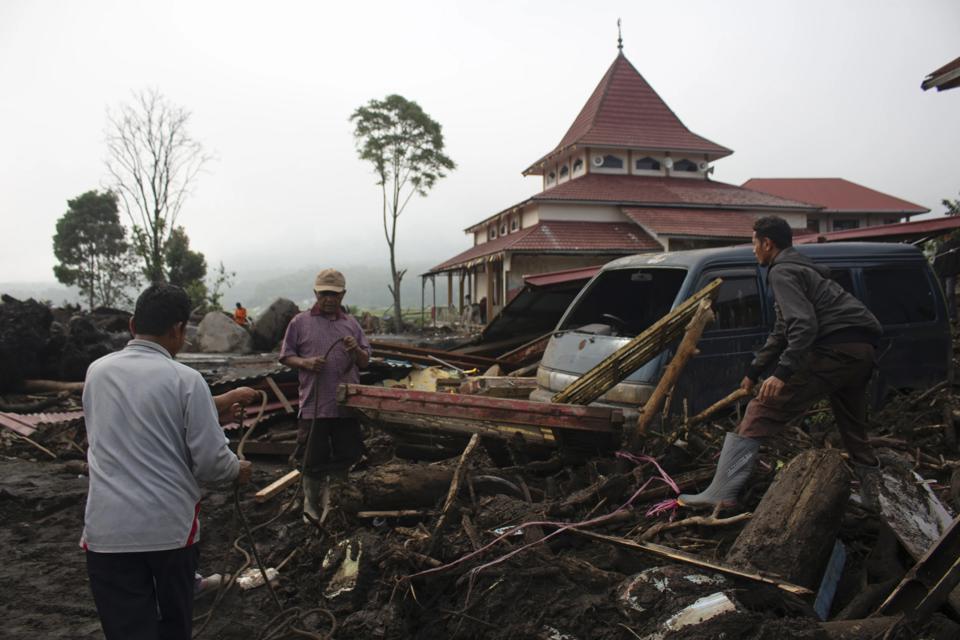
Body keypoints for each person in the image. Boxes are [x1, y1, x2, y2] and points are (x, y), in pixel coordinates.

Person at [81, 283, 258, 640]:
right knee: (172, 628)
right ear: (179, 329)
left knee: (128, 631)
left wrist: (214, 404)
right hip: (167, 534)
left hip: (106, 533)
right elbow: (212, 464)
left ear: (132, 325)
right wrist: (238, 470)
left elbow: (140, 419)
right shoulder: (187, 381)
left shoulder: (97, 373)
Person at [678, 216, 883, 511]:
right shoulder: (801, 268)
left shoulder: (782, 272)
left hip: (834, 349)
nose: (753, 250)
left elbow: (803, 325)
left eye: (753, 243)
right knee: (852, 424)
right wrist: (754, 370)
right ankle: (872, 498)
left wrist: (781, 373)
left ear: (767, 243)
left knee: (761, 408)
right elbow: (782, 328)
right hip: (861, 350)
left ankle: (723, 492)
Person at [279, 268, 371, 522]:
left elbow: (364, 362)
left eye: (334, 294)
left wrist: (355, 350)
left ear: (343, 295)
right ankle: (310, 503)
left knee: (343, 456)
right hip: (314, 404)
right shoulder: (300, 322)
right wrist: (306, 363)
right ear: (315, 293)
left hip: (345, 405)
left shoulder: (351, 324)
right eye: (324, 294)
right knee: (312, 458)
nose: (329, 299)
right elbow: (285, 356)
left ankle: (333, 504)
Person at [933, 232, 960, 322]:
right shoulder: (941, 247)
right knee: (942, 294)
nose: (946, 236)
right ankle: (945, 315)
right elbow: (936, 261)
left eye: (948, 234)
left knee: (949, 294)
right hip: (941, 274)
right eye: (945, 234)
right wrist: (935, 272)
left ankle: (953, 316)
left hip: (951, 273)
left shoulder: (956, 244)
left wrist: (957, 271)